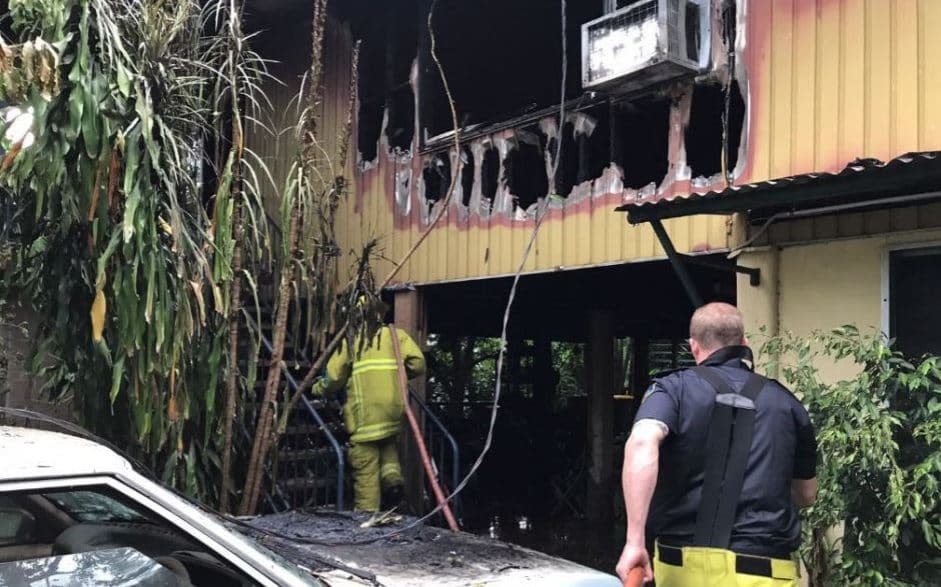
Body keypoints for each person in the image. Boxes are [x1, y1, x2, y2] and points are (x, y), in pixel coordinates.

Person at [616, 302, 817, 586]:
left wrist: (634, 542)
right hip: (762, 571)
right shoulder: (787, 403)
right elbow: (807, 494)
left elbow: (641, 443)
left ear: (693, 346)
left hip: (681, 569)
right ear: (744, 342)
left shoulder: (671, 390)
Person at [314, 320, 426, 512]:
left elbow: (333, 378)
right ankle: (392, 481)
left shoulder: (351, 341)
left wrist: (318, 388)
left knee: (366, 470)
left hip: (365, 418)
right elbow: (418, 364)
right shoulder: (395, 335)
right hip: (393, 413)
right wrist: (394, 374)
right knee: (387, 446)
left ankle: (367, 517)